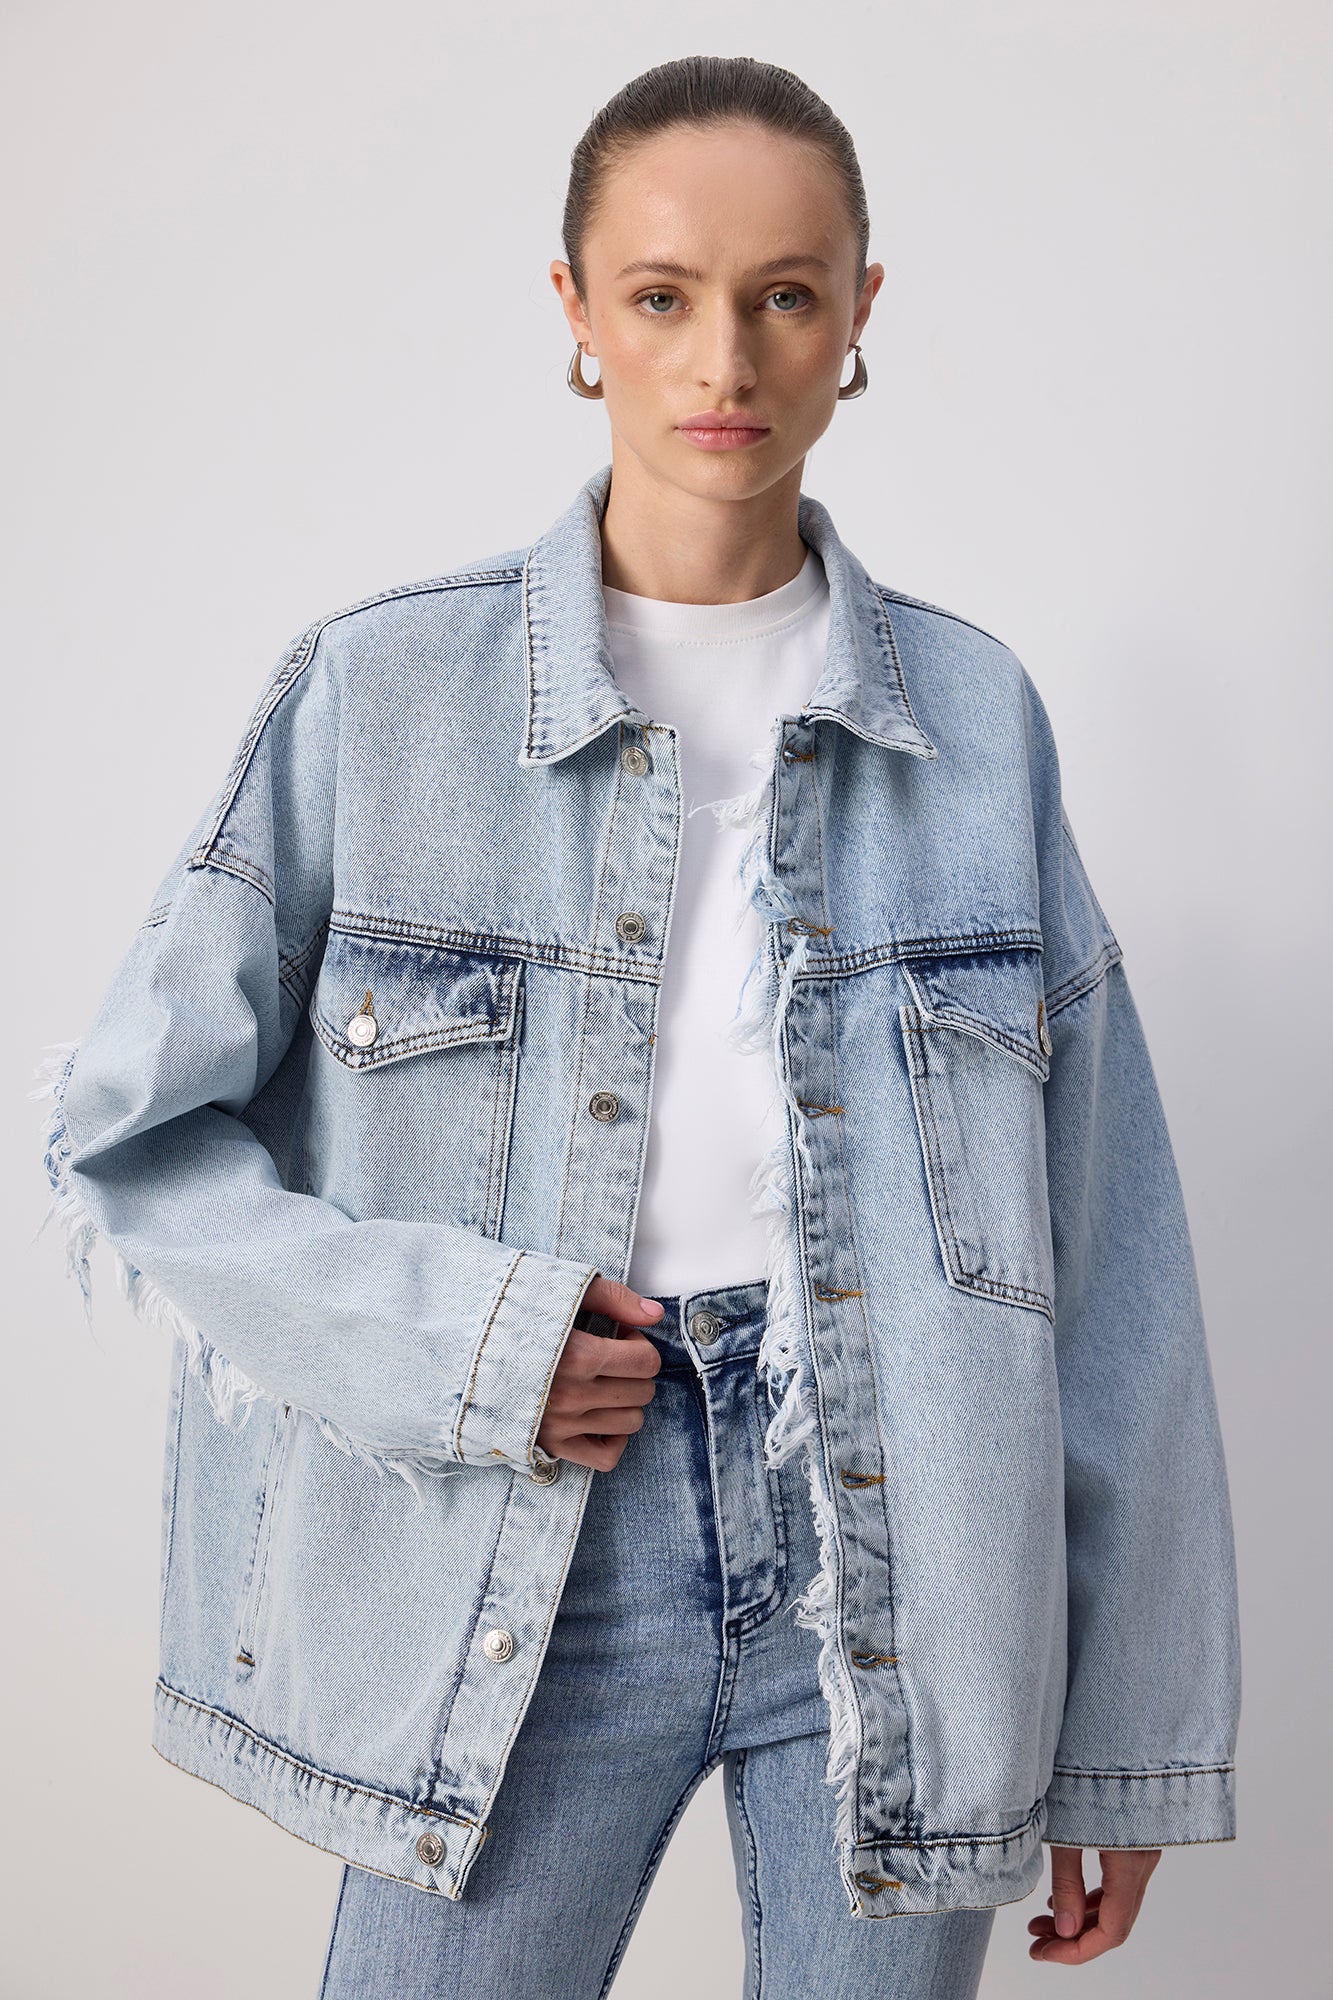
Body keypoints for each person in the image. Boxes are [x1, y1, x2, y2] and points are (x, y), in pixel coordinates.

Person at [34, 54, 1240, 2000]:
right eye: (664, 294)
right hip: (527, 1526)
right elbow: (128, 1135)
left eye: (785, 293)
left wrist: (1126, 1728)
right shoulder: (382, 696)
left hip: (906, 1564)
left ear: (859, 315)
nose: (724, 358)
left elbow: (1105, 1256)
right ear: (576, 311)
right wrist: (467, 1344)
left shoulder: (974, 720)